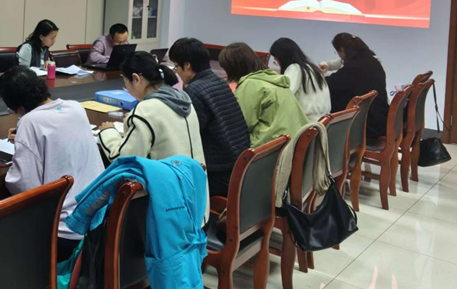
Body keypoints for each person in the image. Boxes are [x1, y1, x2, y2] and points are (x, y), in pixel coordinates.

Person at [0, 67, 104, 262]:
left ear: (18, 107)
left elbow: (24, 186)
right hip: (98, 221)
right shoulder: (75, 107)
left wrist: (22, 146)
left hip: (62, 231)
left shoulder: (29, 122)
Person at [168, 37, 250, 198]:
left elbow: (185, 136)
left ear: (187, 65)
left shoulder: (195, 91)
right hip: (238, 166)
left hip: (217, 174)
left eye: (176, 66)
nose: (177, 71)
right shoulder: (218, 82)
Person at [98, 51, 207, 167]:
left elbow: (125, 159)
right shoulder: (184, 100)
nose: (127, 90)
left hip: (167, 178)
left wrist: (108, 132)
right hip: (196, 176)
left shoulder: (145, 110)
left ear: (136, 79)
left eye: (126, 85)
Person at [218, 43, 308, 147]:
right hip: (293, 144)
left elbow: (239, 125)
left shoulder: (251, 84)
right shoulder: (274, 79)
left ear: (232, 68)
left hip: (270, 149)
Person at [322, 33, 390, 137]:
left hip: (367, 126)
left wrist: (320, 76)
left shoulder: (353, 68)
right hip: (380, 117)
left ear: (341, 50)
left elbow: (331, 84)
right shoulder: (372, 61)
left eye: (337, 52)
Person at [270, 37, 331, 122]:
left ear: (283, 58)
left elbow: (283, 95)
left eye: (276, 60)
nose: (277, 63)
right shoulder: (311, 68)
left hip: (306, 123)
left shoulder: (295, 69)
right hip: (322, 121)